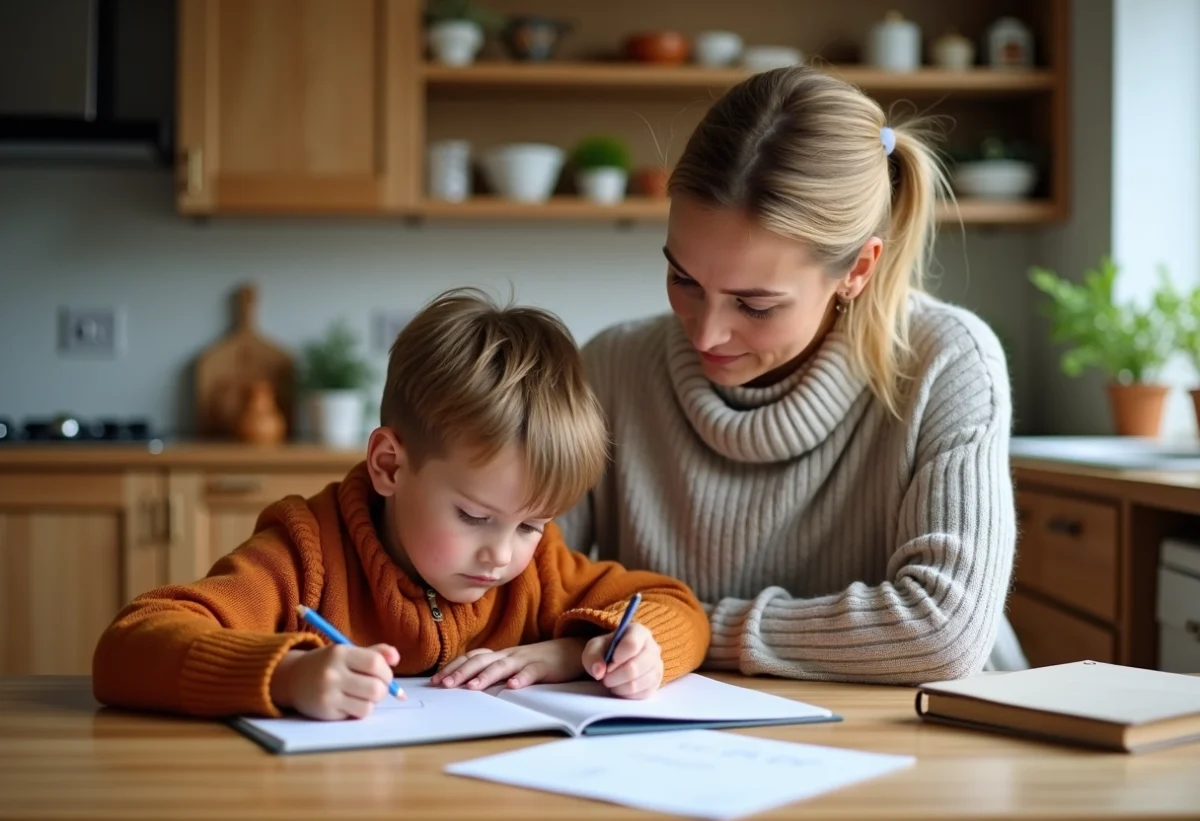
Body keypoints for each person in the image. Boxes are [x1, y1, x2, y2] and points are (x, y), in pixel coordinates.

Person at [557, 65, 1027, 684]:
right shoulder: (614, 368)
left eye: (755, 304)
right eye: (684, 280)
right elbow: (518, 576)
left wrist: (682, 629)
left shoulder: (948, 362)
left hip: (926, 746)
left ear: (857, 269)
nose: (705, 333)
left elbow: (941, 633)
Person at [93, 289, 710, 721]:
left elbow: (677, 608)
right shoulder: (305, 554)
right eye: (472, 516)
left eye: (531, 523)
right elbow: (129, 646)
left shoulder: (539, 568)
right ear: (390, 464)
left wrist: (582, 651)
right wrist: (284, 674)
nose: (503, 554)